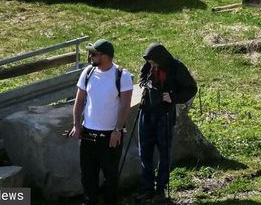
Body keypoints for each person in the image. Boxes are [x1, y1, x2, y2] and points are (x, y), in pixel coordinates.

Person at [70, 39, 134, 205]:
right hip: (88, 132)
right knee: (88, 173)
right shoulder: (88, 73)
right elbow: (79, 101)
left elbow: (125, 106)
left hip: (110, 134)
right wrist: (77, 125)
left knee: (110, 174)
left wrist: (117, 130)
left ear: (105, 56)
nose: (90, 57)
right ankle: (89, 200)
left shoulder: (122, 76)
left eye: (94, 54)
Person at [138, 43, 198, 202]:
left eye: (153, 62)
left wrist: (173, 98)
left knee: (164, 153)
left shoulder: (176, 67)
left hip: (164, 114)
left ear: (161, 58)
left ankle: (160, 189)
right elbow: (142, 77)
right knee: (145, 152)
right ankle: (147, 188)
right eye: (150, 62)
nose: (151, 65)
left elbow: (191, 88)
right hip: (146, 111)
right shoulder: (149, 63)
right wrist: (145, 85)